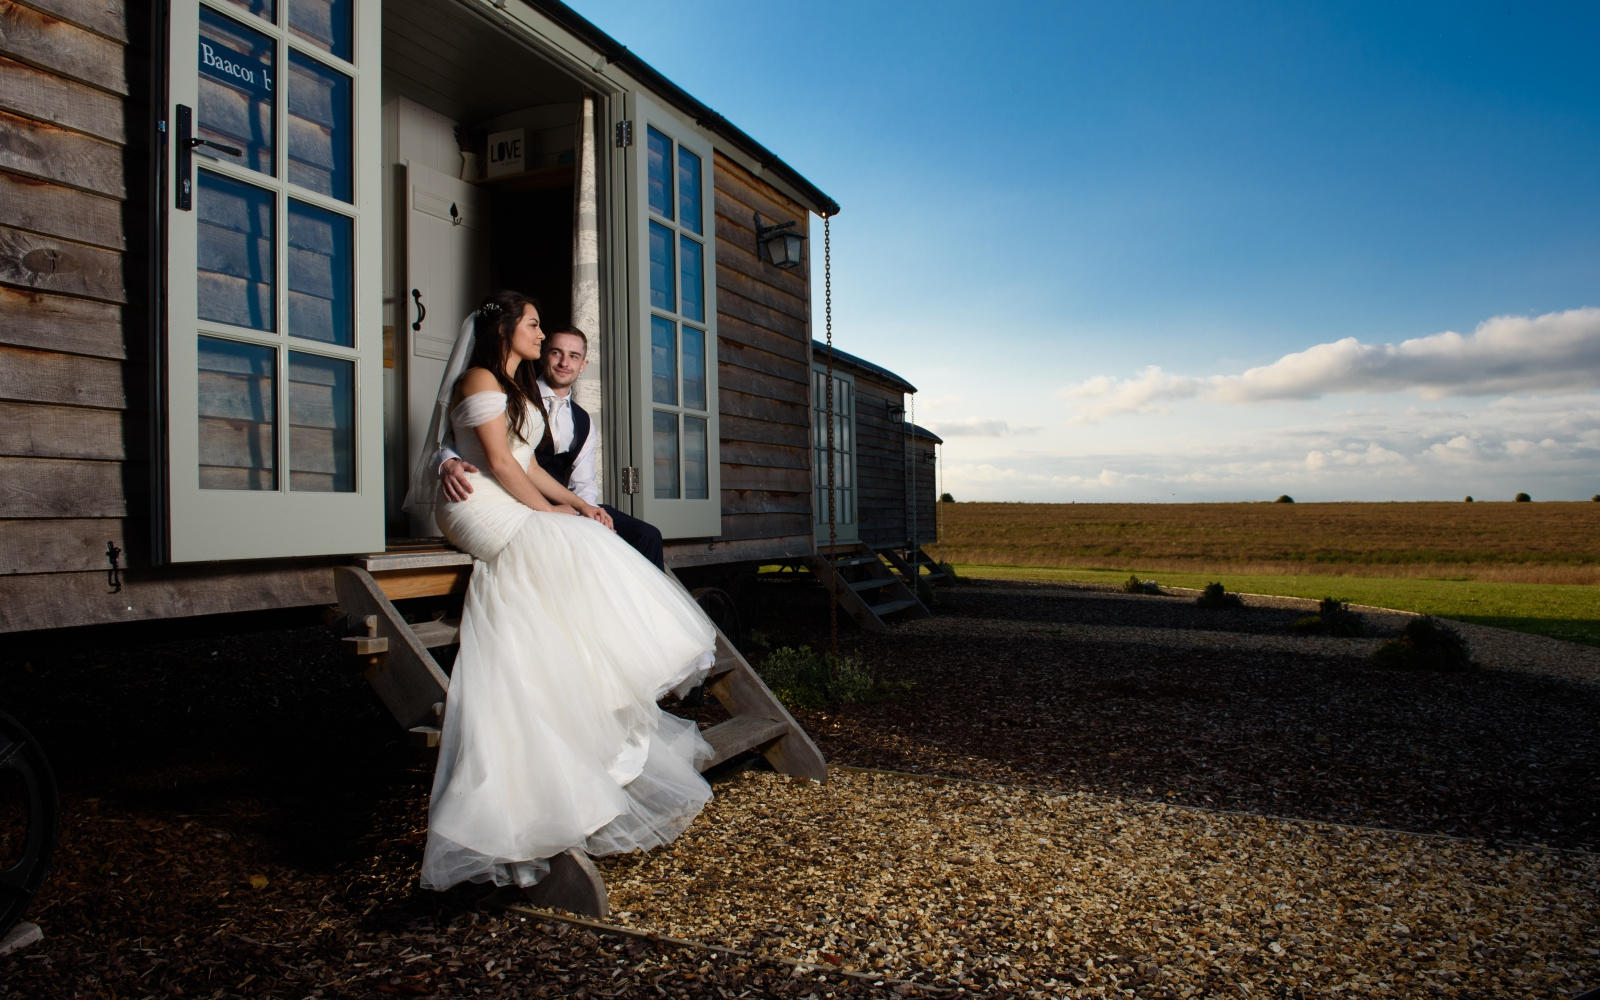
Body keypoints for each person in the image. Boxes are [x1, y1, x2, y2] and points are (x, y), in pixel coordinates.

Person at [418, 290, 716, 891]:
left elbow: (526, 465)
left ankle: (603, 681)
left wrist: (579, 506)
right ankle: (608, 673)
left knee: (593, 537)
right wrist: (554, 519)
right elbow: (500, 466)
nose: (540, 335)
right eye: (533, 325)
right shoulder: (480, 376)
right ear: (506, 329)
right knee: (577, 546)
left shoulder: (516, 388)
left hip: (509, 494)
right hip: (477, 504)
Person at [433, 327, 666, 569]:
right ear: (545, 355)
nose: (564, 362)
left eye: (574, 356)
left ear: (583, 364)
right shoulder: (516, 392)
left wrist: (589, 513)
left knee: (647, 536)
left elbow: (583, 483)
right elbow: (466, 437)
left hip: (565, 502)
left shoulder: (583, 420)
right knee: (590, 549)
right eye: (557, 353)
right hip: (515, 498)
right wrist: (447, 461)